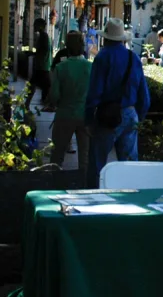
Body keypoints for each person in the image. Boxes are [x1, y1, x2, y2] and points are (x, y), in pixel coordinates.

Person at [84, 17, 150, 186]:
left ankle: (94, 200)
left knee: (97, 164)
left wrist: (89, 119)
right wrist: (138, 116)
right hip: (130, 113)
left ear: (105, 38)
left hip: (107, 115)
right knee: (129, 165)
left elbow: (94, 92)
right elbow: (144, 94)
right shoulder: (133, 58)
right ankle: (131, 199)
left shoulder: (102, 57)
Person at [46, 31, 91, 179]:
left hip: (64, 114)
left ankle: (54, 185)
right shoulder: (90, 67)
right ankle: (84, 187)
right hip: (85, 115)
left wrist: (56, 103)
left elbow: (54, 96)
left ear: (67, 46)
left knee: (57, 156)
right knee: (85, 157)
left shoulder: (61, 67)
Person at [25, 18, 52, 111]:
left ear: (40, 26)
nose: (33, 27)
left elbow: (43, 51)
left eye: (35, 25)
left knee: (36, 85)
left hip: (42, 66)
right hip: (42, 65)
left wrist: (33, 54)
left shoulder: (43, 36)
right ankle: (28, 104)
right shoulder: (42, 36)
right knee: (43, 86)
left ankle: (27, 104)